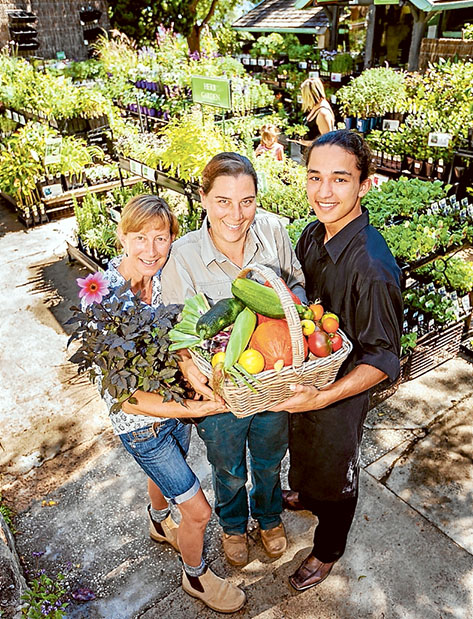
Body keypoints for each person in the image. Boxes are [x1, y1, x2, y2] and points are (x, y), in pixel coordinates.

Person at [97, 194, 246, 613]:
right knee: (198, 512)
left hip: (172, 405)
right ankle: (195, 577)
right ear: (121, 237)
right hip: (143, 426)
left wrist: (191, 371)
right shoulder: (103, 301)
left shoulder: (163, 277)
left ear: (172, 240)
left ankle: (158, 521)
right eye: (140, 238)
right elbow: (128, 402)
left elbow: (179, 332)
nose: (150, 249)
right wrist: (193, 410)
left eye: (161, 238)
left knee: (168, 473)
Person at [161, 152, 306, 568]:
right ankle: (233, 525)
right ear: (203, 199)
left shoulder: (274, 230)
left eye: (247, 200)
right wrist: (187, 361)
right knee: (225, 466)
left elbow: (295, 283)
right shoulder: (183, 254)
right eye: (223, 200)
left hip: (272, 376)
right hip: (219, 391)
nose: (236, 214)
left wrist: (291, 311)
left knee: (269, 456)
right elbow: (174, 326)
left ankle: (269, 517)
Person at [273, 130, 403, 591]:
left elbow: (385, 358)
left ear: (364, 185)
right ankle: (307, 495)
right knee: (304, 449)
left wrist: (324, 395)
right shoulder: (312, 234)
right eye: (314, 177)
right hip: (310, 380)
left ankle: (328, 549)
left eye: (340, 179)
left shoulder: (371, 265)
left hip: (342, 394)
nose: (323, 192)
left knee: (338, 468)